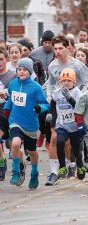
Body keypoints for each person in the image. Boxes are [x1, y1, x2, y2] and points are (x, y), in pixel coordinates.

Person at [45, 35, 88, 185]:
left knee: (73, 144)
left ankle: (76, 164)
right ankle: (56, 171)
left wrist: (80, 95)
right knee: (55, 139)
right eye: (55, 49)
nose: (58, 51)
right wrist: (49, 96)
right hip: (59, 105)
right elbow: (51, 83)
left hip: (75, 105)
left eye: (60, 48)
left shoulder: (77, 65)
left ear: (67, 48)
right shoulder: (52, 66)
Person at [3, 58, 49, 188]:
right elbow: (11, 100)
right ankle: (16, 171)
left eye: (24, 69)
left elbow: (45, 104)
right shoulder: (12, 84)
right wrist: (7, 110)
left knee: (32, 151)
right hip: (15, 120)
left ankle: (34, 172)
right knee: (15, 143)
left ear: (30, 71)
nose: (21, 72)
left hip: (30, 124)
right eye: (19, 69)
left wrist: (40, 108)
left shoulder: (36, 87)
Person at [48, 68, 84, 183]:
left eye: (69, 80)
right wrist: (50, 115)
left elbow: (80, 107)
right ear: (60, 82)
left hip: (74, 126)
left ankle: (80, 165)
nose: (66, 83)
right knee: (59, 142)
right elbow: (52, 105)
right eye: (64, 80)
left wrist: (70, 98)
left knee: (76, 149)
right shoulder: (57, 92)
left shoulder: (77, 92)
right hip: (62, 125)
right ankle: (62, 166)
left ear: (74, 81)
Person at [0, 48, 16, 180]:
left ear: (7, 60)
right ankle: (2, 163)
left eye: (1, 59)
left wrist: (7, 94)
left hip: (9, 113)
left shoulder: (13, 76)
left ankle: (17, 166)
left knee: (13, 143)